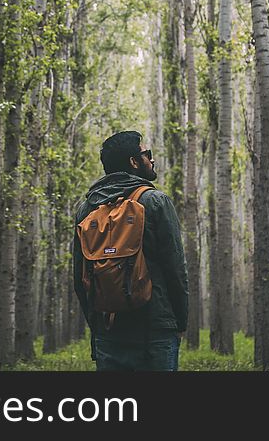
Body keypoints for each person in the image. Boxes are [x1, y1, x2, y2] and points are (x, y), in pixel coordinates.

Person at [72, 130, 189, 371]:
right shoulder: (156, 201)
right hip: (155, 329)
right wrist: (178, 322)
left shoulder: (86, 209)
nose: (152, 159)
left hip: (109, 330)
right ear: (134, 162)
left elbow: (79, 277)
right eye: (148, 154)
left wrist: (97, 327)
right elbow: (175, 269)